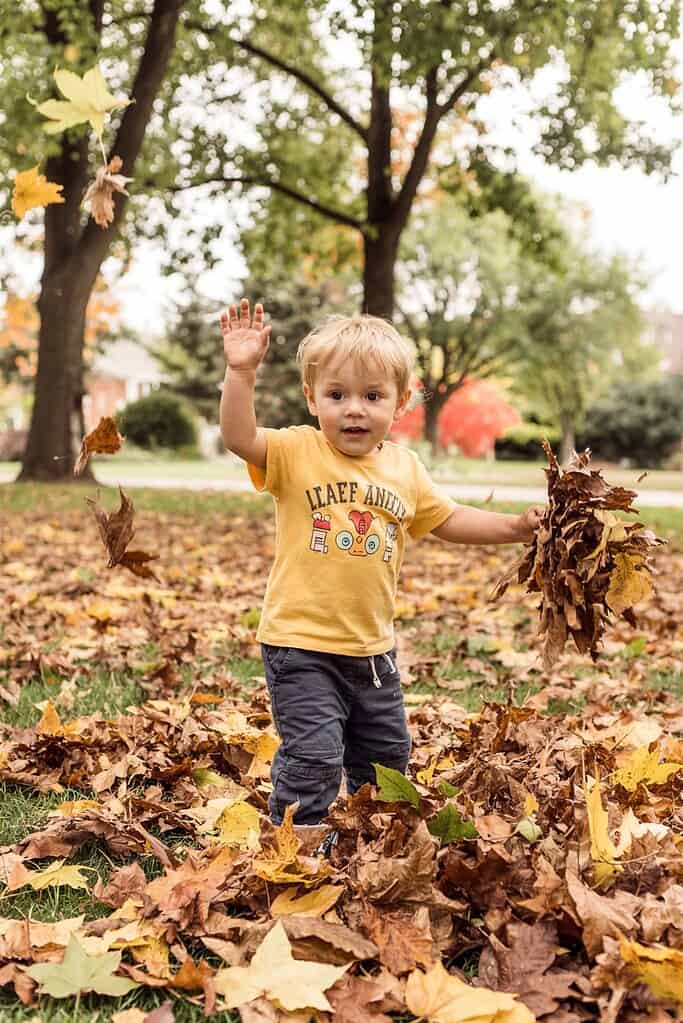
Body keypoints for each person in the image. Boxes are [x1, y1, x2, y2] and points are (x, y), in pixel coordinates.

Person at [219, 298, 543, 827]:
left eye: (372, 396)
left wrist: (515, 528)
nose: (354, 408)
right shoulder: (297, 452)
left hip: (373, 652)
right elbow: (238, 437)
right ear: (311, 398)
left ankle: (374, 841)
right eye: (337, 394)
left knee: (387, 760)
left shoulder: (404, 469)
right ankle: (296, 850)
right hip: (301, 646)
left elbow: (448, 518)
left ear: (401, 403)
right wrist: (240, 372)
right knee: (313, 760)